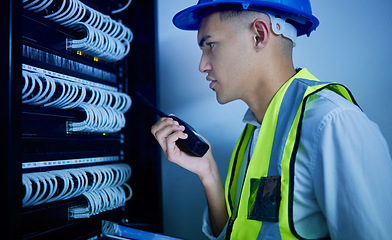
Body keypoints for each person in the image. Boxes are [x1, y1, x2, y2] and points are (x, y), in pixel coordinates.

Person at [151, 0, 392, 239]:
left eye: (211, 45)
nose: (202, 65)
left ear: (258, 34)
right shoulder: (257, 131)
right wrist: (209, 174)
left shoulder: (332, 123)